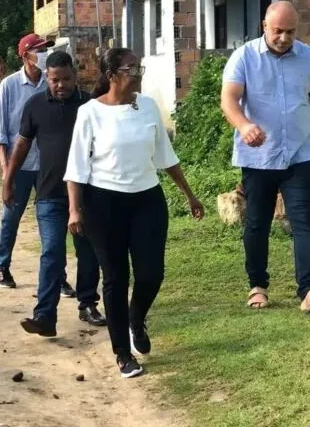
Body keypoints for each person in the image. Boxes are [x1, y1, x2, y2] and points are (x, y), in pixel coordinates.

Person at [64, 47, 204, 378]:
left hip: (146, 200)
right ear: (111, 76)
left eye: (138, 68)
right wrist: (74, 210)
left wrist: (190, 195)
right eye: (131, 69)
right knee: (115, 277)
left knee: (151, 274)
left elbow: (165, 156)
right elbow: (76, 166)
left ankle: (136, 318)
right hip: (103, 204)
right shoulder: (90, 113)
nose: (138, 74)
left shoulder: (148, 107)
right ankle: (122, 354)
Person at [220, 1, 310, 315]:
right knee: (257, 224)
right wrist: (244, 125)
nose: (284, 38)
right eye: (277, 31)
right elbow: (229, 98)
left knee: (304, 223)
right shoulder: (244, 57)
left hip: (299, 155)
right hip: (258, 157)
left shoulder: (309, 57)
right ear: (264, 26)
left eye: (290, 31)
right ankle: (257, 285)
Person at [3, 51, 106, 339]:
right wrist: (8, 180)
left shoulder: (90, 105)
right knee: (51, 253)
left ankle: (87, 303)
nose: (60, 85)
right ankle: (45, 315)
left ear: (75, 76)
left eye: (66, 79)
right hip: (48, 193)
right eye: (54, 80)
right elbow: (22, 146)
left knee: (88, 252)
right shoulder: (35, 105)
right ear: (46, 79)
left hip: (88, 194)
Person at [0, 34, 76, 296]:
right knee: (11, 218)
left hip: (50, 167)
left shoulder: (52, 83)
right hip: (20, 166)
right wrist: (7, 173)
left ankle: (58, 275)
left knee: (55, 223)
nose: (42, 54)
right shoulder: (8, 86)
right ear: (25, 55)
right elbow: (1, 134)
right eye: (37, 50)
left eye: (44, 50)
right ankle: (2, 265)